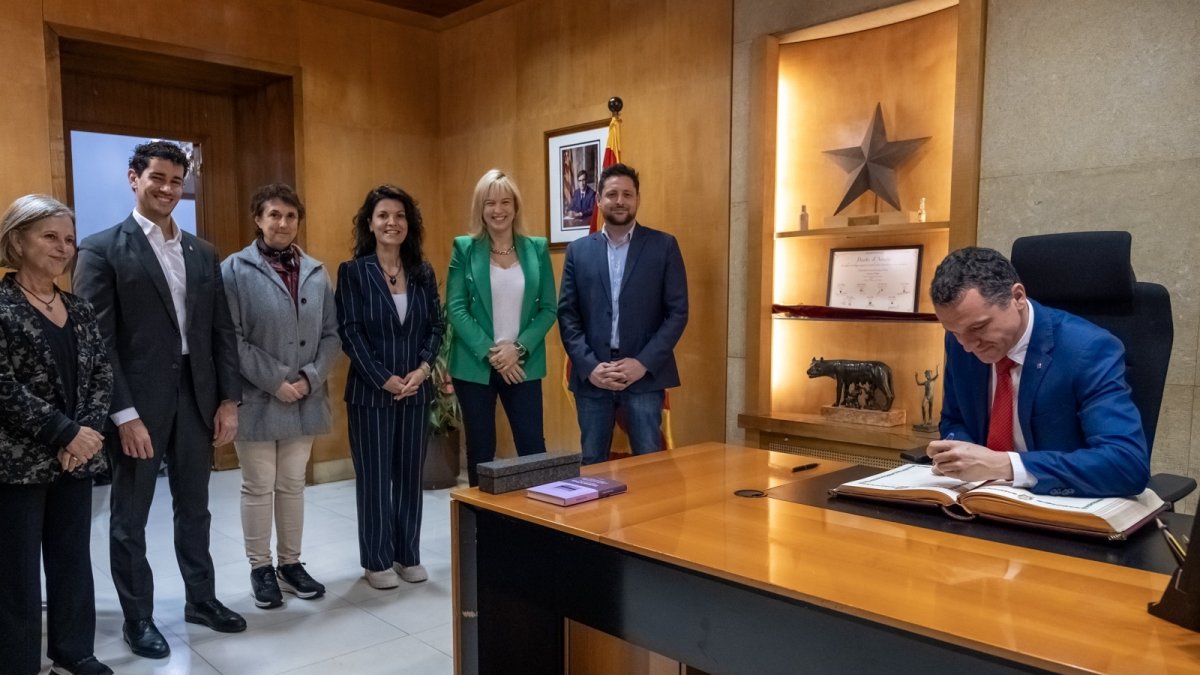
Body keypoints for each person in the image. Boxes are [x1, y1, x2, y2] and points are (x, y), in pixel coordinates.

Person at [74, 140, 245, 660]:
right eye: (158, 179)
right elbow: (96, 344)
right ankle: (138, 617)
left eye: (177, 181)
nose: (169, 189)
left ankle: (201, 599)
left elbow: (220, 331)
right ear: (134, 178)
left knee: (196, 510)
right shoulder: (101, 249)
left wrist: (228, 400)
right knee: (130, 518)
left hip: (198, 401)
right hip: (137, 411)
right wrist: (122, 414)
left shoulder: (203, 251)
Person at [926, 246, 1150, 497]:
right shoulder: (960, 344)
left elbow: (1126, 465)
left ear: (1018, 297)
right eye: (954, 332)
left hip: (1059, 506)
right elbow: (954, 418)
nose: (967, 346)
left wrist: (1003, 465)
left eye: (979, 327)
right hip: (980, 499)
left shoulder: (1088, 349)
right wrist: (959, 452)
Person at [0, 195, 113, 675]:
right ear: (18, 240)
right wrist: (65, 432)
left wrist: (85, 433)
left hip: (75, 458)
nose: (63, 248)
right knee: (16, 574)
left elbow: (100, 376)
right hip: (17, 461)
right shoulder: (2, 307)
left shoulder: (80, 308)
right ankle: (17, 663)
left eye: (68, 239)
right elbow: (3, 387)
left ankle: (73, 653)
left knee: (72, 561)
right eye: (50, 236)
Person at [221, 184, 340, 609]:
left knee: (292, 485)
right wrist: (276, 381)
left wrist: (310, 378)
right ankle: (260, 568)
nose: (282, 223)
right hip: (257, 397)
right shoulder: (233, 269)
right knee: (258, 485)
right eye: (273, 215)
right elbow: (230, 339)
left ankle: (290, 565)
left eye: (290, 216)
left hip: (306, 396)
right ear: (258, 218)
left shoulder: (316, 269)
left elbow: (332, 334)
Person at [336, 184, 444, 590]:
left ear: (408, 224)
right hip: (370, 394)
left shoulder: (423, 271)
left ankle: (407, 554)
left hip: (416, 391)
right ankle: (377, 560)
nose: (391, 223)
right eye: (383, 215)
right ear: (370, 223)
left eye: (399, 216)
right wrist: (382, 377)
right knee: (376, 478)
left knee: (409, 476)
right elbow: (350, 332)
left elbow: (436, 326)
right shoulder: (353, 272)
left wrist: (422, 369)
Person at [557, 163, 689, 465]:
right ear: (599, 200)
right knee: (592, 462)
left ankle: (651, 516)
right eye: (612, 194)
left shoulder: (664, 246)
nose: (620, 201)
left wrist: (642, 364)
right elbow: (567, 315)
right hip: (593, 378)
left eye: (627, 194)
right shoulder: (578, 251)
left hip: (643, 377)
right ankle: (595, 516)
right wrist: (590, 367)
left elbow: (678, 313)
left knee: (649, 466)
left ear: (637, 199)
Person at [446, 169, 556, 486]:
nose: (498, 210)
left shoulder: (537, 249)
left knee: (533, 448)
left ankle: (537, 525)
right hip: (475, 365)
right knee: (481, 452)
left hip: (523, 364)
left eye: (505, 202)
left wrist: (517, 349)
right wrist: (495, 354)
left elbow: (549, 308)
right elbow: (456, 307)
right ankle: (483, 531)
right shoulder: (464, 249)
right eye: (490, 203)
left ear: (516, 207)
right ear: (480, 208)